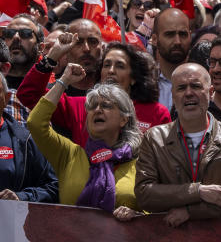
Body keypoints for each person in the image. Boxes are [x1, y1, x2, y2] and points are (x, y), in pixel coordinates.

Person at [135, 63, 221, 227]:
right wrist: (197, 191)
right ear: (172, 95)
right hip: (170, 235)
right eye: (181, 88)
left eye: (196, 86)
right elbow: (144, 194)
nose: (188, 93)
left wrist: (192, 212)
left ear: (211, 92)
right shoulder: (154, 138)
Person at [27, 63, 140, 219]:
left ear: (123, 119)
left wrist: (138, 217)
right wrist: (64, 81)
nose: (97, 110)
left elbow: (157, 214)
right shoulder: (70, 155)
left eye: (106, 105)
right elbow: (36, 122)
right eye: (92, 106)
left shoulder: (140, 163)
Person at [18, 39, 170, 145]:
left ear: (133, 78)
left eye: (120, 66)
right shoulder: (79, 106)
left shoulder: (157, 113)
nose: (111, 71)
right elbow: (28, 95)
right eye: (106, 65)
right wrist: (51, 58)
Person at [0, 73, 58, 203]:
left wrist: (22, 197)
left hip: (10, 221)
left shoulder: (25, 141)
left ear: (7, 97)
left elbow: (54, 186)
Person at [152, 9, 191, 110]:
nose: (177, 41)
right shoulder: (142, 83)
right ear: (155, 39)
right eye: (170, 34)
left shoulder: (203, 82)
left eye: (183, 34)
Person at [1, 15, 42, 91]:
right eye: (9, 33)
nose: (16, 37)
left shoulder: (49, 88)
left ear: (40, 47)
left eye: (25, 33)